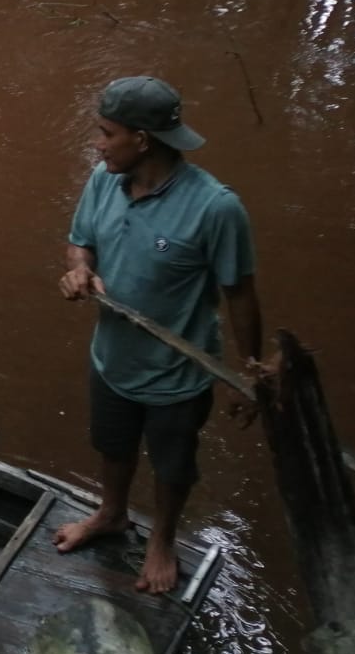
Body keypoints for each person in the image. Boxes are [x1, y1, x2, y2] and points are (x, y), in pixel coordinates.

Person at [54, 76, 262, 595]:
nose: (98, 144)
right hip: (112, 359)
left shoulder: (216, 208)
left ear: (142, 139)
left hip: (178, 376)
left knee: (172, 463)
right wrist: (80, 270)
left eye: (107, 133)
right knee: (113, 445)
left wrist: (249, 372)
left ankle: (162, 540)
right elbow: (79, 242)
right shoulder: (104, 180)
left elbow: (239, 295)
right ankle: (111, 514)